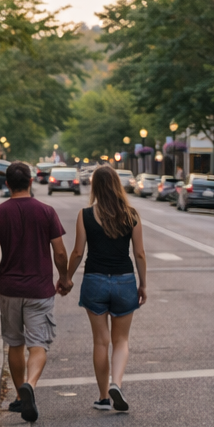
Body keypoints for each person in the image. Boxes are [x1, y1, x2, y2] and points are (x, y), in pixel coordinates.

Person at [0, 161, 71, 422]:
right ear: (31, 182)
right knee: (38, 344)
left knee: (14, 342)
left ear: (7, 183)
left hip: (9, 289)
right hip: (39, 289)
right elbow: (60, 251)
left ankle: (21, 396)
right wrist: (64, 277)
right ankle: (30, 384)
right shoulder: (46, 212)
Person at [64, 165, 146, 412]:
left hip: (94, 281)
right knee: (121, 340)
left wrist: (66, 278)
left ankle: (103, 397)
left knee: (101, 342)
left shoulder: (85, 214)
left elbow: (78, 252)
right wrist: (143, 284)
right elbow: (139, 254)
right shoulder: (131, 214)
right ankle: (116, 383)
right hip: (124, 281)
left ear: (95, 187)